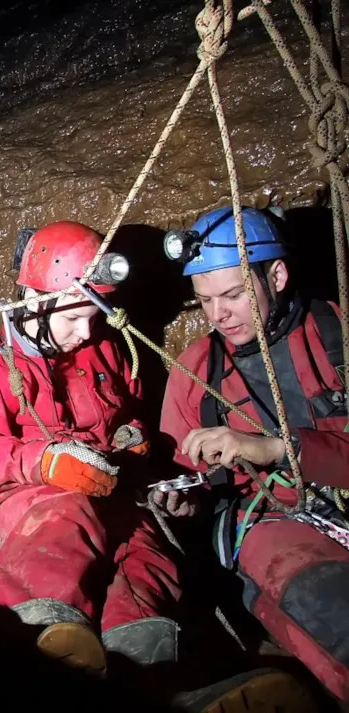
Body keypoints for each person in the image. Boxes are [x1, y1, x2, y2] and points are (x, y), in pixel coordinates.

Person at [0, 221, 181, 674]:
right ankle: (36, 637)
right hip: (33, 504)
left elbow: (128, 418)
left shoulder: (105, 354)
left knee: (142, 549)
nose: (86, 332)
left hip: (112, 491)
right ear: (33, 303)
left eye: (94, 316)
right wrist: (42, 462)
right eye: (72, 318)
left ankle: (147, 664)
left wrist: (136, 444)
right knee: (66, 514)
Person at [159, 206, 349, 701]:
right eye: (204, 301)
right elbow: (189, 480)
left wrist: (277, 449)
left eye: (234, 294)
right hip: (275, 523)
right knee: (317, 598)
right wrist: (185, 500)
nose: (219, 314)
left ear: (277, 275)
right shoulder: (196, 372)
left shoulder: (339, 335)